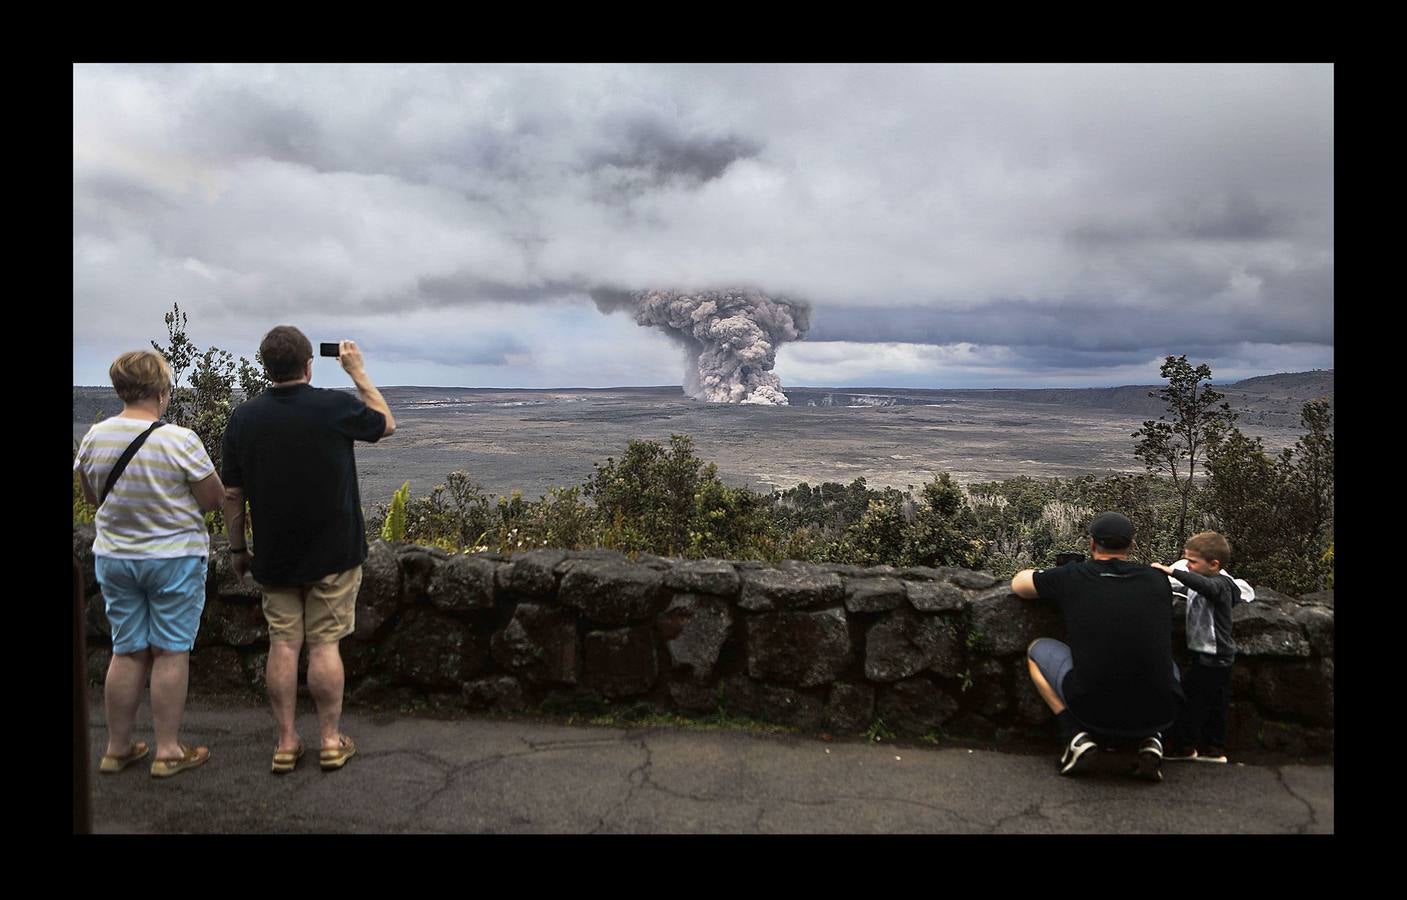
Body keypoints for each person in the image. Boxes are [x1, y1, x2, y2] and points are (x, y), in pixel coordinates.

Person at [221, 327, 394, 774]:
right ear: (308, 364)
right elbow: (385, 424)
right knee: (324, 646)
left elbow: (233, 494)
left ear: (266, 366)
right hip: (334, 552)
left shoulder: (244, 418)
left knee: (283, 644)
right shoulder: (333, 406)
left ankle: (285, 742)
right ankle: (331, 741)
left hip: (275, 556)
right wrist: (357, 372)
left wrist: (238, 547)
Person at [74, 350, 225, 778]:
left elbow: (90, 497)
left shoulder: (95, 436)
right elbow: (212, 499)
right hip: (173, 559)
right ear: (163, 390)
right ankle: (168, 750)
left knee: (126, 650)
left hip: (115, 557)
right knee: (170, 652)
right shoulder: (179, 440)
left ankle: (117, 748)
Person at [1011, 512, 1183, 782]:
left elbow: (1018, 584)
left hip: (1091, 706)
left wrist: (1050, 574)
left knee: (1036, 649)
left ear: (1092, 544)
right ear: (1132, 546)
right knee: (1166, 663)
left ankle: (1074, 735)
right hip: (1160, 709)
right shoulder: (1156, 580)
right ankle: (1152, 738)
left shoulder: (1074, 576)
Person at [1152, 531, 1254, 764]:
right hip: (1209, 655)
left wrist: (1172, 571)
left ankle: (1184, 748)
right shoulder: (1206, 583)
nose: (1187, 565)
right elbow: (1189, 590)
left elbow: (1204, 587)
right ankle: (1214, 750)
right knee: (1215, 706)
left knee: (1191, 702)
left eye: (1192, 562)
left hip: (1215, 657)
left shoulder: (1221, 585)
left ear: (1214, 564)